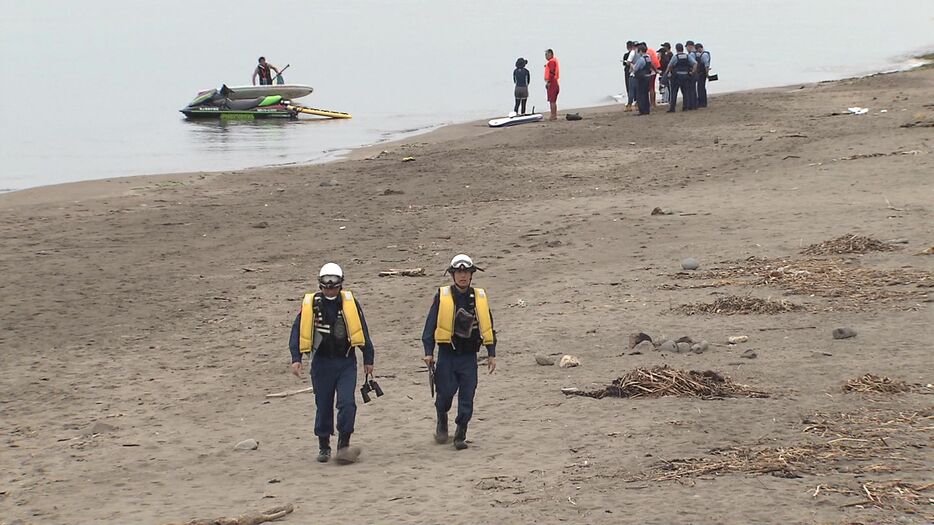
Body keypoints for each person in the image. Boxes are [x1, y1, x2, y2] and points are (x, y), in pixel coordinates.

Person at [289, 263, 375, 464]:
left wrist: (368, 358)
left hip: (345, 362)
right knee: (323, 404)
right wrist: (296, 358)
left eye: (334, 285)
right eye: (326, 285)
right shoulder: (311, 306)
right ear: (320, 285)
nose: (330, 289)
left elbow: (362, 330)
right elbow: (297, 330)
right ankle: (324, 444)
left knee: (347, 403)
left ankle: (344, 443)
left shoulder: (350, 304)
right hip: (321, 363)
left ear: (341, 285)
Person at [421, 254, 497, 450]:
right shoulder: (442, 297)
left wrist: (491, 352)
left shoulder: (479, 298)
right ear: (453, 275)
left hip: (469, 357)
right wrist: (428, 352)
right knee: (444, 394)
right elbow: (429, 326)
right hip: (447, 356)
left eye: (466, 272)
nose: (462, 276)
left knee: (467, 396)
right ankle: (442, 419)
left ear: (471, 275)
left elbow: (488, 326)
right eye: (459, 273)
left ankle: (460, 433)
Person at [664, 43, 697, 112]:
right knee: (685, 92)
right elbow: (695, 63)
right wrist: (692, 72)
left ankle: (672, 108)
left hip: (676, 77)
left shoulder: (675, 57)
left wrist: (669, 72)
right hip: (686, 76)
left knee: (674, 92)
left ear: (676, 49)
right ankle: (685, 107)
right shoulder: (687, 56)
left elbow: (670, 65)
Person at [632, 44, 655, 115]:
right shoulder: (648, 58)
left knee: (640, 94)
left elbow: (636, 68)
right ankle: (647, 109)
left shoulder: (641, 59)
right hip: (648, 77)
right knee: (645, 94)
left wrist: (632, 65)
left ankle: (642, 110)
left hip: (642, 78)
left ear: (641, 51)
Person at [544, 49, 560, 121]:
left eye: (547, 55)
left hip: (552, 83)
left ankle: (553, 115)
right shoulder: (552, 62)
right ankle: (554, 115)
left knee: (552, 100)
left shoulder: (552, 62)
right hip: (555, 82)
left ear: (550, 54)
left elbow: (552, 72)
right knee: (553, 100)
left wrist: (548, 82)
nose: (546, 56)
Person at [644, 43, 662, 107]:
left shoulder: (646, 53)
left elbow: (650, 62)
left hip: (651, 71)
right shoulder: (651, 50)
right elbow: (656, 59)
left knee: (650, 87)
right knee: (652, 87)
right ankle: (653, 103)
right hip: (655, 70)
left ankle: (652, 103)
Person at [694, 43, 711, 108]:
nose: (697, 51)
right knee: (701, 87)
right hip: (702, 73)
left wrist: (707, 74)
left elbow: (706, 65)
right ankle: (702, 102)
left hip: (702, 73)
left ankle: (703, 103)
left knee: (701, 88)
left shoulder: (704, 55)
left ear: (699, 48)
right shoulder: (705, 54)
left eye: (697, 50)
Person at [622, 41, 636, 111]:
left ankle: (630, 104)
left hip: (629, 72)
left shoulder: (627, 55)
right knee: (636, 88)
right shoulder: (637, 54)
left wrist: (626, 62)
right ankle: (637, 103)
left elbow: (625, 64)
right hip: (636, 72)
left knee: (629, 87)